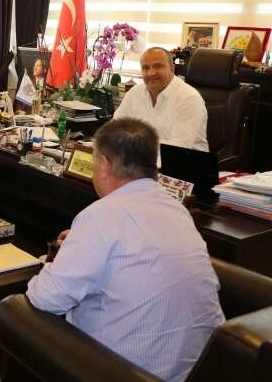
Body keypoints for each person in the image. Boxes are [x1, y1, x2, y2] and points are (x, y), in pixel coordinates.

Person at [26, 118, 224, 382]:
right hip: (203, 369)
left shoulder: (100, 216)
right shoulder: (177, 209)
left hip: (128, 371)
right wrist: (80, 244)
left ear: (104, 165)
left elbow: (46, 298)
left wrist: (62, 258)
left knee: (20, 313)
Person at [113, 46, 208, 151]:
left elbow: (177, 148)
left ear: (172, 68)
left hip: (184, 160)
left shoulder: (189, 98)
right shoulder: (135, 92)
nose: (151, 73)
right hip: (140, 157)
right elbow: (115, 128)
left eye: (158, 66)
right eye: (146, 68)